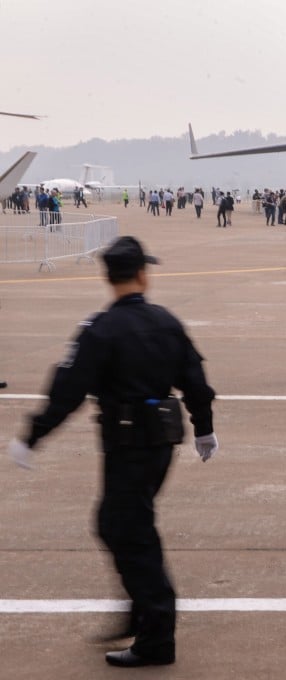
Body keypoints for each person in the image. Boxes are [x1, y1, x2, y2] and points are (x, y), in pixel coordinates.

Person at [8, 236, 218, 668]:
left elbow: (67, 390)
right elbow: (196, 380)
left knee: (128, 530)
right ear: (142, 274)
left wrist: (33, 434)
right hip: (160, 445)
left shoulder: (100, 329)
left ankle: (156, 633)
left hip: (127, 447)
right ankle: (141, 608)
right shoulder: (166, 322)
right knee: (122, 525)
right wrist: (205, 429)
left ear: (109, 278)